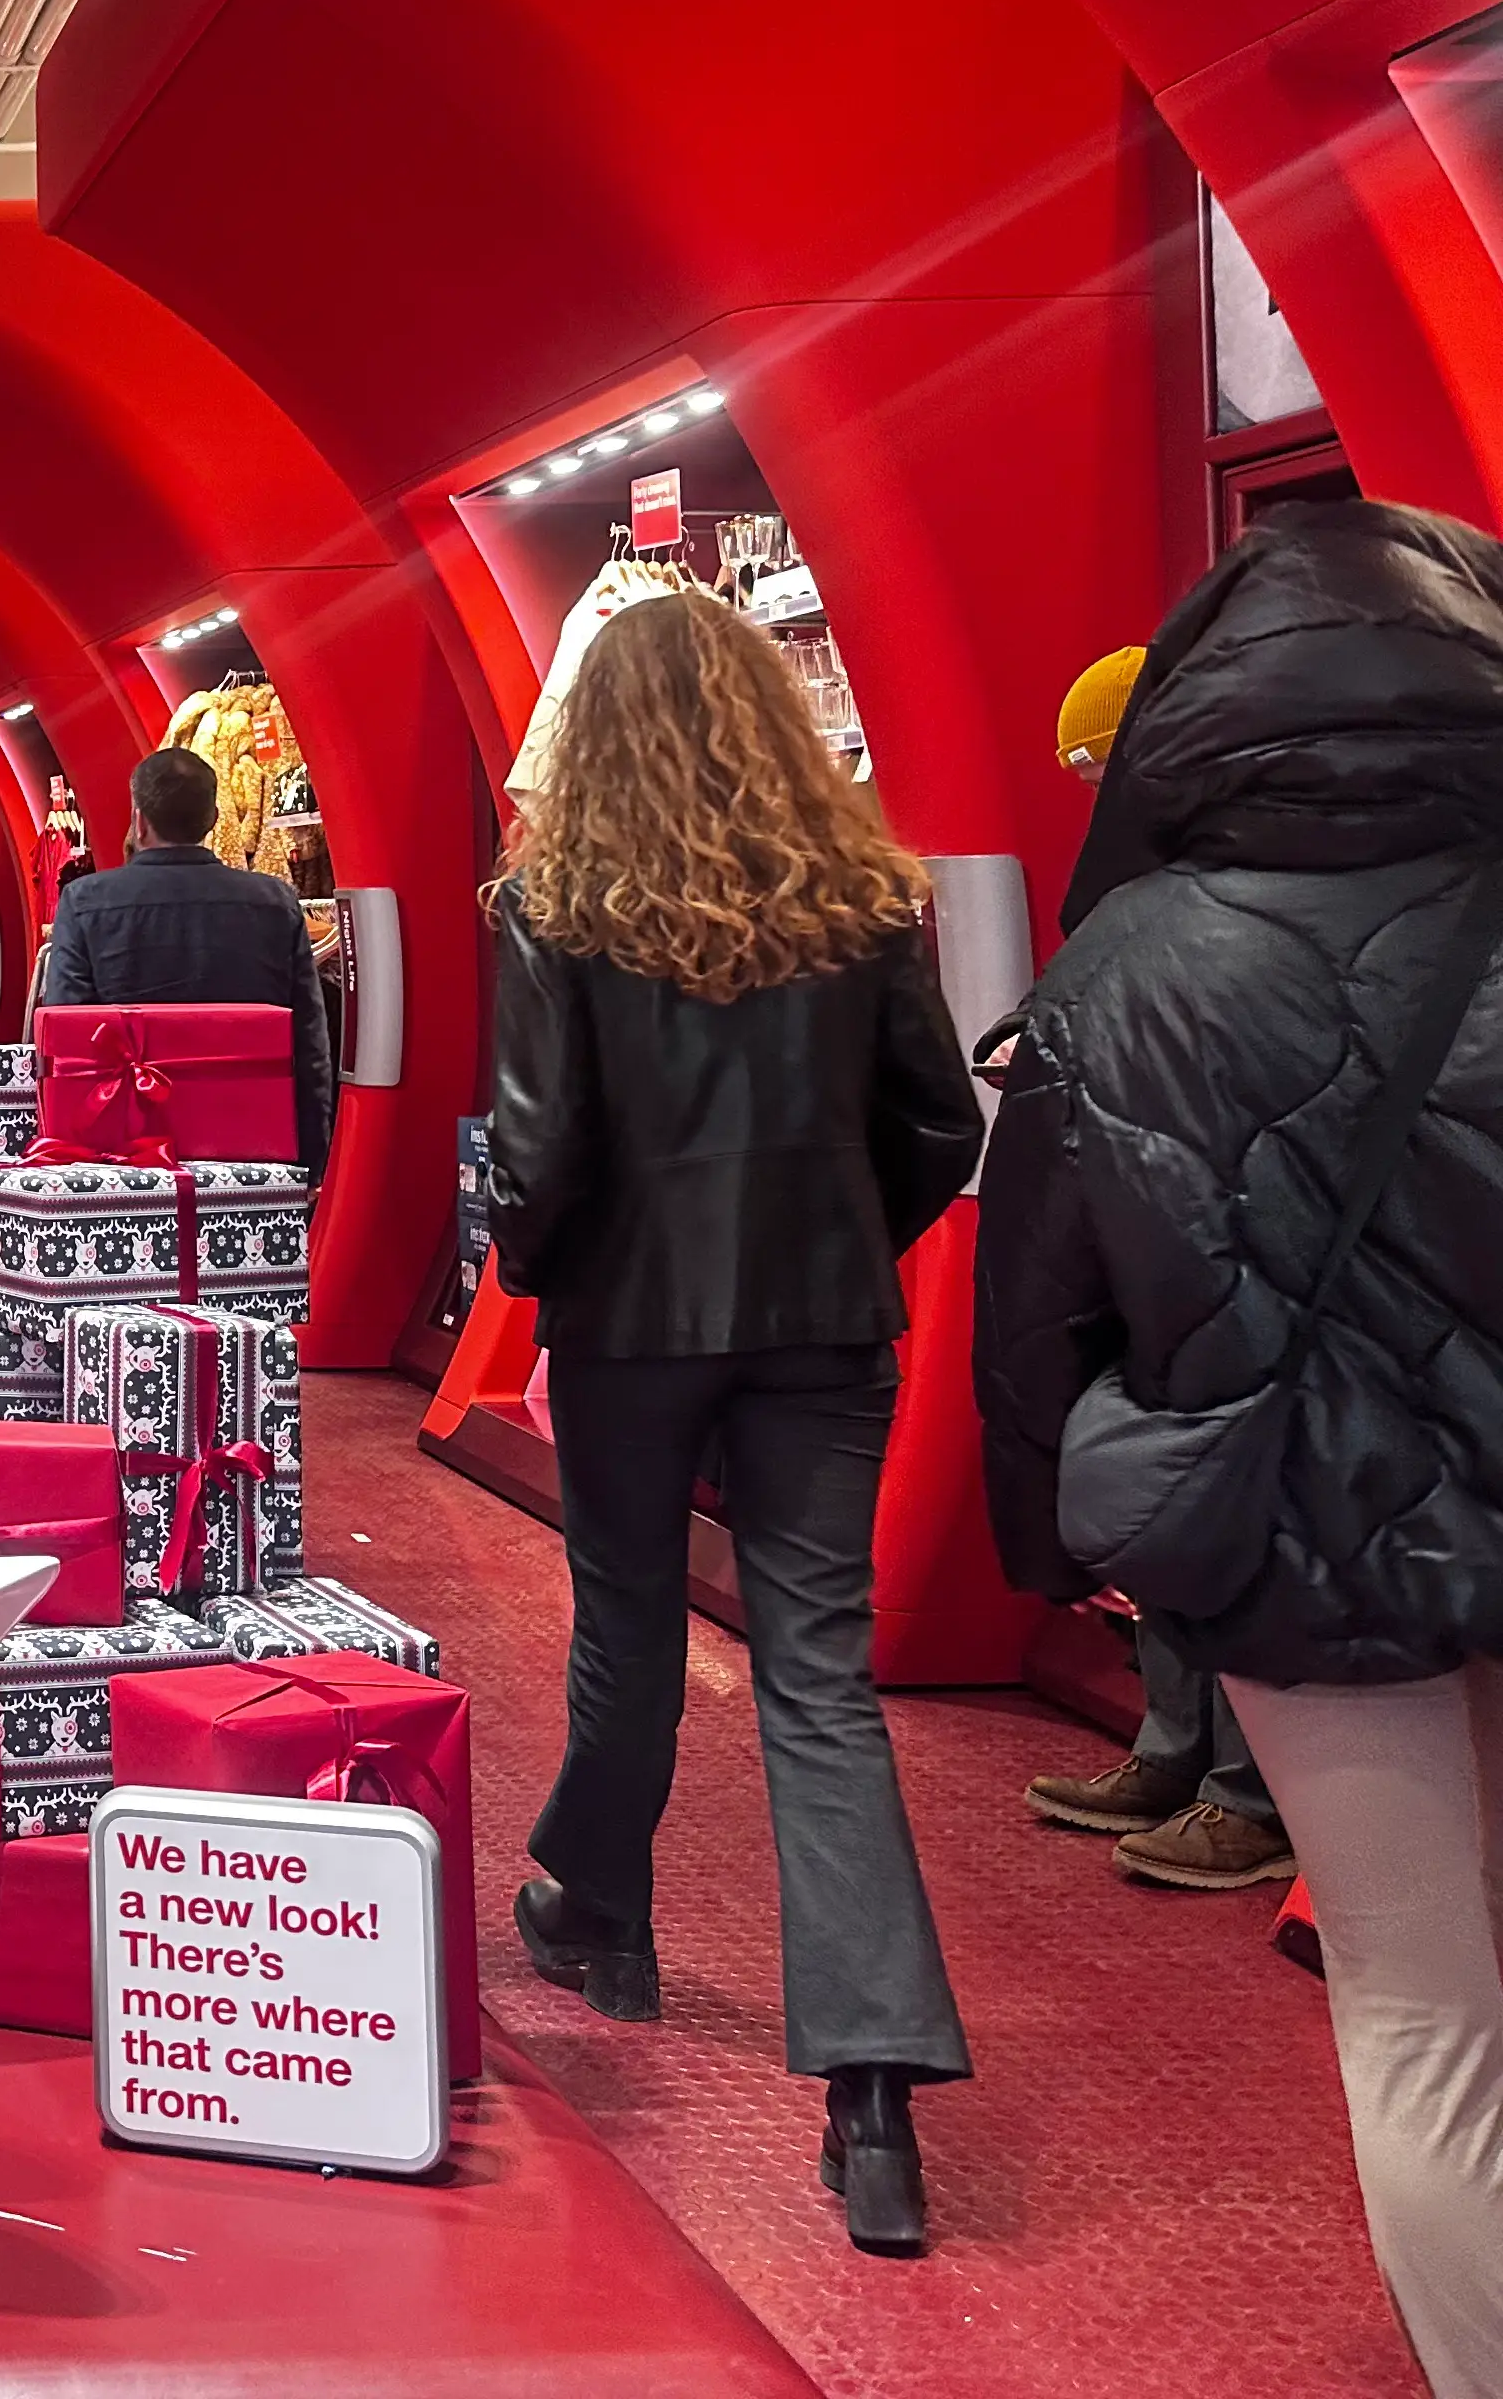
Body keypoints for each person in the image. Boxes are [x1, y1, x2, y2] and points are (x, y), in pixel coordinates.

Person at [978, 505, 1503, 2394]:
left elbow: (1035, 1292)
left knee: (1421, 1999)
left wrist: (1037, 1531)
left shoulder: (1131, 956)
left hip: (1294, 1531)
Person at [484, 590, 980, 2259]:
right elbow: (938, 1122)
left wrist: (534, 1258)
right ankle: (871, 2090)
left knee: (624, 1614)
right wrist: (841, 1237)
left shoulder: (549, 903)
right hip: (828, 1322)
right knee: (817, 1673)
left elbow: (542, 1153)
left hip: (630, 1321)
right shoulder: (861, 898)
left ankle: (602, 1916)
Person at [1010, 643, 1296, 1891]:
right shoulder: (1163, 878)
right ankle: (1179, 1745)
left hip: (1235, 1233)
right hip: (1162, 1225)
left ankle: (1245, 1786)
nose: (1088, 792)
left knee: (1229, 1513)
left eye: (1095, 764)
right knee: (1168, 1500)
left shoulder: (1229, 886)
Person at [38, 746, 334, 1171]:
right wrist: (309, 1156)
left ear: (138, 820)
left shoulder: (85, 902)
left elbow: (70, 1044)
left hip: (128, 1154)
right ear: (213, 820)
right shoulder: (274, 902)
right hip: (252, 1145)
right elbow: (309, 1043)